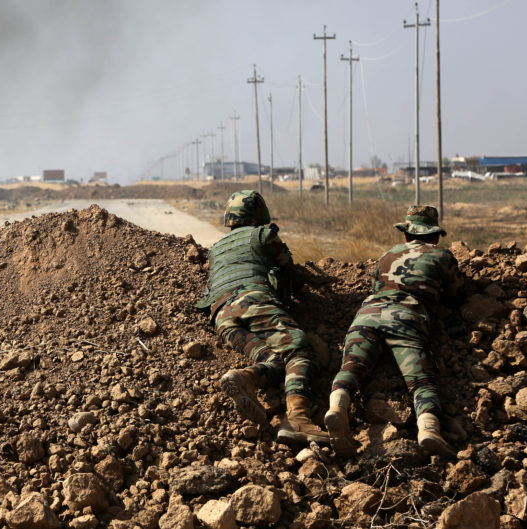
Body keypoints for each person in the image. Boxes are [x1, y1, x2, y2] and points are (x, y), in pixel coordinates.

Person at [324, 205, 464, 457]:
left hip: (367, 315)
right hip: (407, 318)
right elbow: (456, 295)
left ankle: (336, 407)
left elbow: (376, 284)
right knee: (421, 380)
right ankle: (429, 430)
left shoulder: (387, 254)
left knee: (351, 368)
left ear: (406, 235)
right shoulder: (443, 256)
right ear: (435, 236)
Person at [195, 190, 328, 444]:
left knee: (274, 359)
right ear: (258, 213)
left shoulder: (216, 249)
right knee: (299, 349)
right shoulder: (263, 235)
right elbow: (291, 270)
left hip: (222, 317)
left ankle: (244, 377)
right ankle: (298, 420)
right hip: (253, 301)